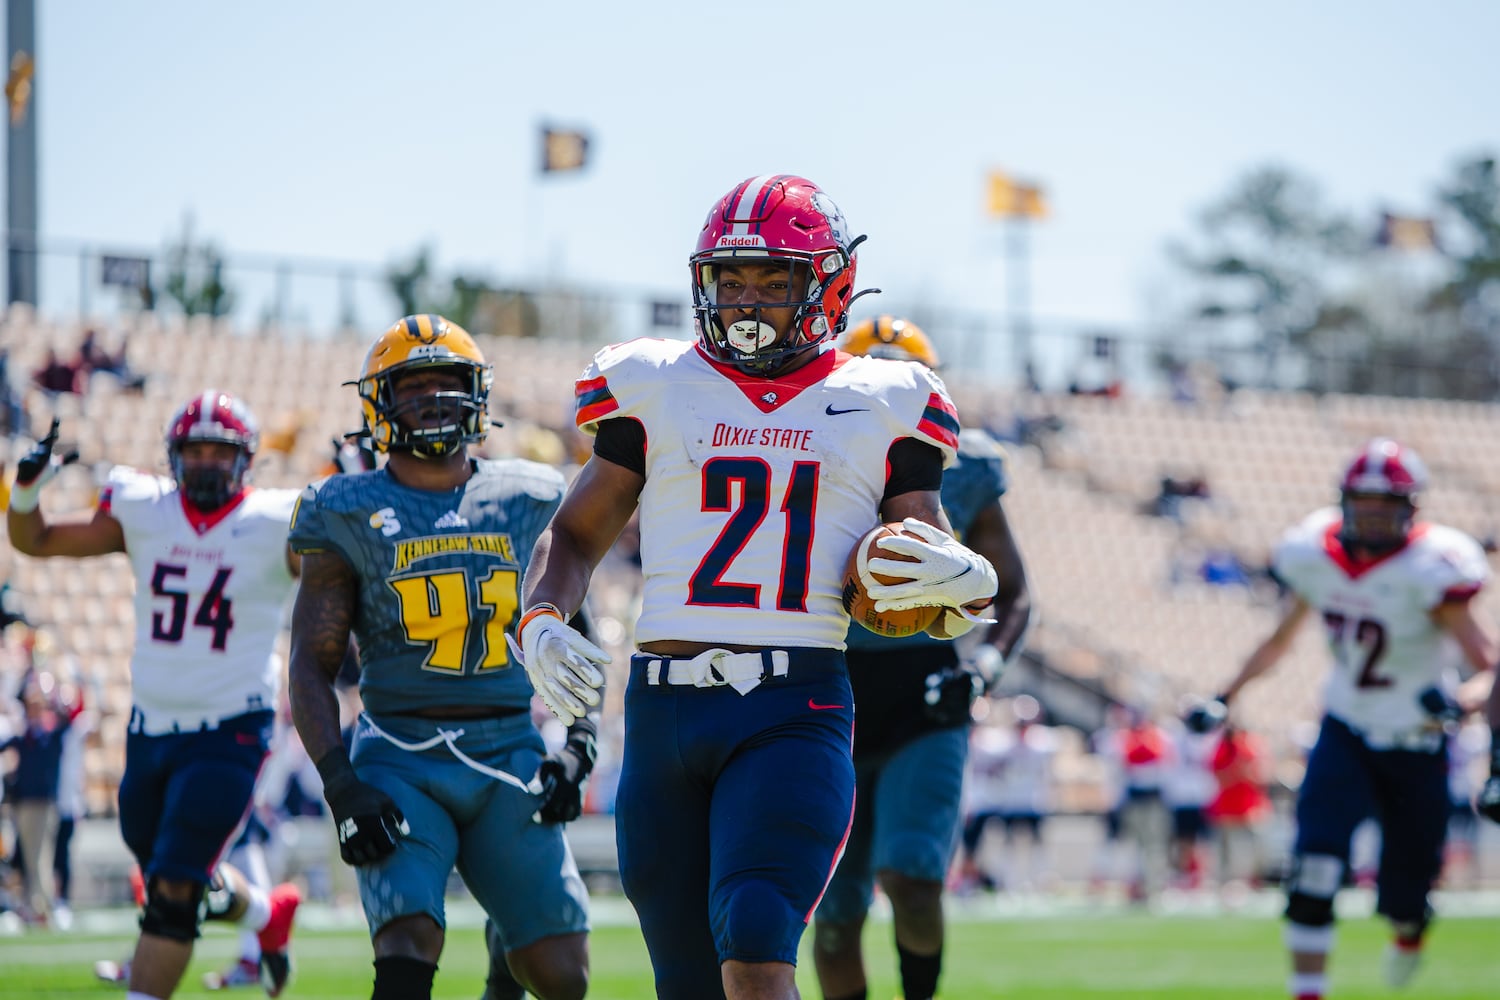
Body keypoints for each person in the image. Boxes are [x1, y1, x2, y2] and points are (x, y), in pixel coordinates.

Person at [519, 174, 1001, 1000]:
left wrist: (966, 577)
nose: (746, 300)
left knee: (754, 933)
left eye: (773, 280)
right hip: (665, 709)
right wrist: (540, 617)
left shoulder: (887, 397)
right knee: (687, 981)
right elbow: (574, 532)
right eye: (729, 279)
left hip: (793, 706)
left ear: (827, 286)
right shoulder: (655, 382)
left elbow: (922, 549)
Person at [286, 314, 592, 1000]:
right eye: (412, 385)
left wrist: (580, 740)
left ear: (476, 395)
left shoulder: (529, 495)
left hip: (510, 747)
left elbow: (576, 628)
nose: (432, 399)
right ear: (379, 403)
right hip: (400, 752)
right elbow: (311, 661)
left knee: (563, 976)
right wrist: (340, 784)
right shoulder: (345, 507)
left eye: (446, 383)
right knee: (407, 941)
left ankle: (501, 956)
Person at [7, 396, 303, 998]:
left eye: (219, 451)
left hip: (231, 729)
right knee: (172, 873)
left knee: (171, 892)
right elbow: (35, 539)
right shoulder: (146, 511)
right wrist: (26, 490)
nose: (206, 463)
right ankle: (268, 918)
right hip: (151, 731)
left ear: (244, 460)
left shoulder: (278, 521)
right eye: (194, 450)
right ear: (173, 456)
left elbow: (344, 570)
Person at [1208, 438, 1496, 999]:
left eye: (1383, 503)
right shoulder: (1314, 553)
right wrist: (1227, 694)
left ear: (1410, 507)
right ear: (1343, 500)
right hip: (1344, 727)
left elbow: (1490, 666)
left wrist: (1462, 701)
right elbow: (1279, 641)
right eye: (1361, 501)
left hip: (1416, 740)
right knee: (1313, 868)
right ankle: (1307, 992)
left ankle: (1410, 931)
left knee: (1405, 900)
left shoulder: (1432, 566)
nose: (1370, 513)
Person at [809, 315, 1031, 1000]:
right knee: (835, 912)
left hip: (923, 694)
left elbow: (1016, 594)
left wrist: (982, 671)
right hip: (826, 694)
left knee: (911, 877)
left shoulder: (965, 467)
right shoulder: (802, 453)